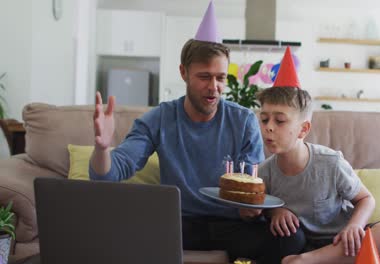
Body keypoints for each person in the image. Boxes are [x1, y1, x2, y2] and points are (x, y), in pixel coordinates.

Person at [89, 1, 304, 262]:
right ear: (184, 73)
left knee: (292, 239)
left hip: (232, 224)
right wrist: (102, 148)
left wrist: (253, 210)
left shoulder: (244, 120)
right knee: (119, 233)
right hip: (179, 223)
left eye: (221, 78)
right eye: (204, 77)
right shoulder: (159, 118)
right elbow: (108, 175)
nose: (214, 87)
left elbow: (252, 186)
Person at [256, 47, 380, 264]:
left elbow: (366, 199)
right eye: (264, 119)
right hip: (306, 244)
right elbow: (261, 208)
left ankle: (308, 261)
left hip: (346, 241)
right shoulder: (265, 172)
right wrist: (275, 212)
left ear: (303, 129)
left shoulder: (330, 162)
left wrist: (354, 226)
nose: (268, 127)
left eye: (279, 121)